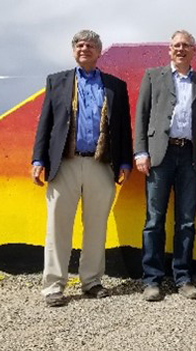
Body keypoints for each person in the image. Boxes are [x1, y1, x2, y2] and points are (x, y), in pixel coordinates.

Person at [31, 30, 133, 307]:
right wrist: (38, 160)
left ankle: (91, 281)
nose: (84, 48)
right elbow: (46, 124)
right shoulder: (58, 81)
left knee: (96, 226)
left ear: (99, 52)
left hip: (101, 164)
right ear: (73, 50)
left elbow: (123, 127)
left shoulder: (115, 85)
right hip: (63, 164)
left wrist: (125, 161)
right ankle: (53, 286)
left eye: (90, 45)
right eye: (79, 44)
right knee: (57, 226)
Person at [134, 30, 196, 301]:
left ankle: (183, 277)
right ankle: (152, 279)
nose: (180, 49)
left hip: (190, 155)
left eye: (186, 45)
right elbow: (141, 115)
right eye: (176, 45)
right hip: (159, 156)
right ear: (169, 50)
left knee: (187, 220)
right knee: (154, 220)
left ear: (194, 51)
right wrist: (140, 152)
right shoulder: (153, 76)